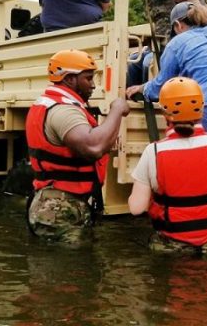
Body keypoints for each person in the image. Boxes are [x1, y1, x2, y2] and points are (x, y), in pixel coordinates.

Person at [125, 1, 207, 216]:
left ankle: (192, 232)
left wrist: (140, 88)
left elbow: (162, 85)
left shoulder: (178, 42)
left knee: (199, 183)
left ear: (178, 25)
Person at [127, 77, 207, 253]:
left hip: (174, 246)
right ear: (202, 109)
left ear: (165, 114)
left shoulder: (153, 152)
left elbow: (136, 208)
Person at [25, 49, 130, 242]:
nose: (93, 85)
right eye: (88, 79)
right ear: (70, 79)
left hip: (56, 201)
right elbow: (94, 147)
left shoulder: (52, 103)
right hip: (59, 206)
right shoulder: (63, 110)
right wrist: (116, 110)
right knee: (69, 269)